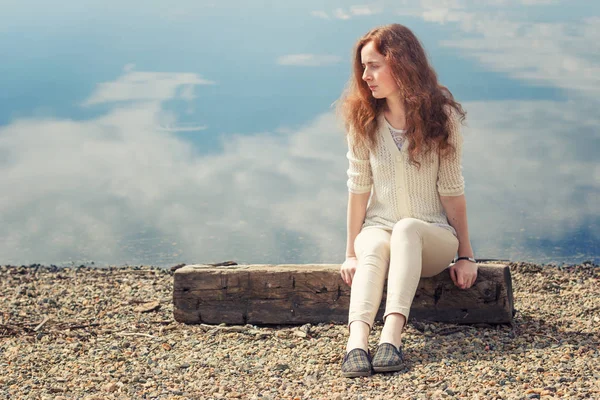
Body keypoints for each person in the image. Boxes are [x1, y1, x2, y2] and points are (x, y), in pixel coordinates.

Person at [336, 24, 477, 378]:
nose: (365, 76)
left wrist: (466, 255)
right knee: (374, 242)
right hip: (379, 229)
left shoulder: (441, 120)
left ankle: (392, 338)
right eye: (363, 67)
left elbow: (452, 191)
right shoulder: (362, 120)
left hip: (430, 236)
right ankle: (356, 342)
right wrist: (350, 253)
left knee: (407, 228)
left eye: (375, 65)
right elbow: (358, 189)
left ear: (402, 64)